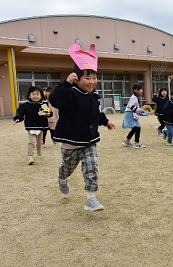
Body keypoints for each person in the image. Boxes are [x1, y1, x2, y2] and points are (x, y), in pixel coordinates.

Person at [49, 41, 116, 212]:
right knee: (67, 168)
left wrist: (105, 121)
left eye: (94, 78)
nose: (92, 81)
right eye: (87, 78)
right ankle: (62, 178)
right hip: (70, 141)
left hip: (88, 139)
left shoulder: (94, 96)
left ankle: (91, 199)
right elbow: (55, 101)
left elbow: (95, 113)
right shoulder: (70, 93)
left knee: (92, 165)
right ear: (76, 78)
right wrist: (65, 84)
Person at [13, 86, 52, 165]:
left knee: (39, 142)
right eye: (33, 94)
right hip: (31, 126)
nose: (35, 96)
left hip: (41, 126)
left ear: (41, 96)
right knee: (31, 141)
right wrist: (17, 118)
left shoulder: (43, 104)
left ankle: (39, 149)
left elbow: (49, 114)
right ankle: (30, 157)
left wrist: (45, 112)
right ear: (29, 96)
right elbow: (20, 112)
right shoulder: (26, 105)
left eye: (37, 94)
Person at [122, 83, 146, 148]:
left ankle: (127, 141)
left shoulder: (135, 97)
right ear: (136, 90)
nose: (142, 91)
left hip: (130, 113)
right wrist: (140, 110)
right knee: (137, 128)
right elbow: (132, 107)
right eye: (141, 89)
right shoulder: (134, 98)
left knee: (135, 128)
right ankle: (136, 143)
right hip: (130, 114)